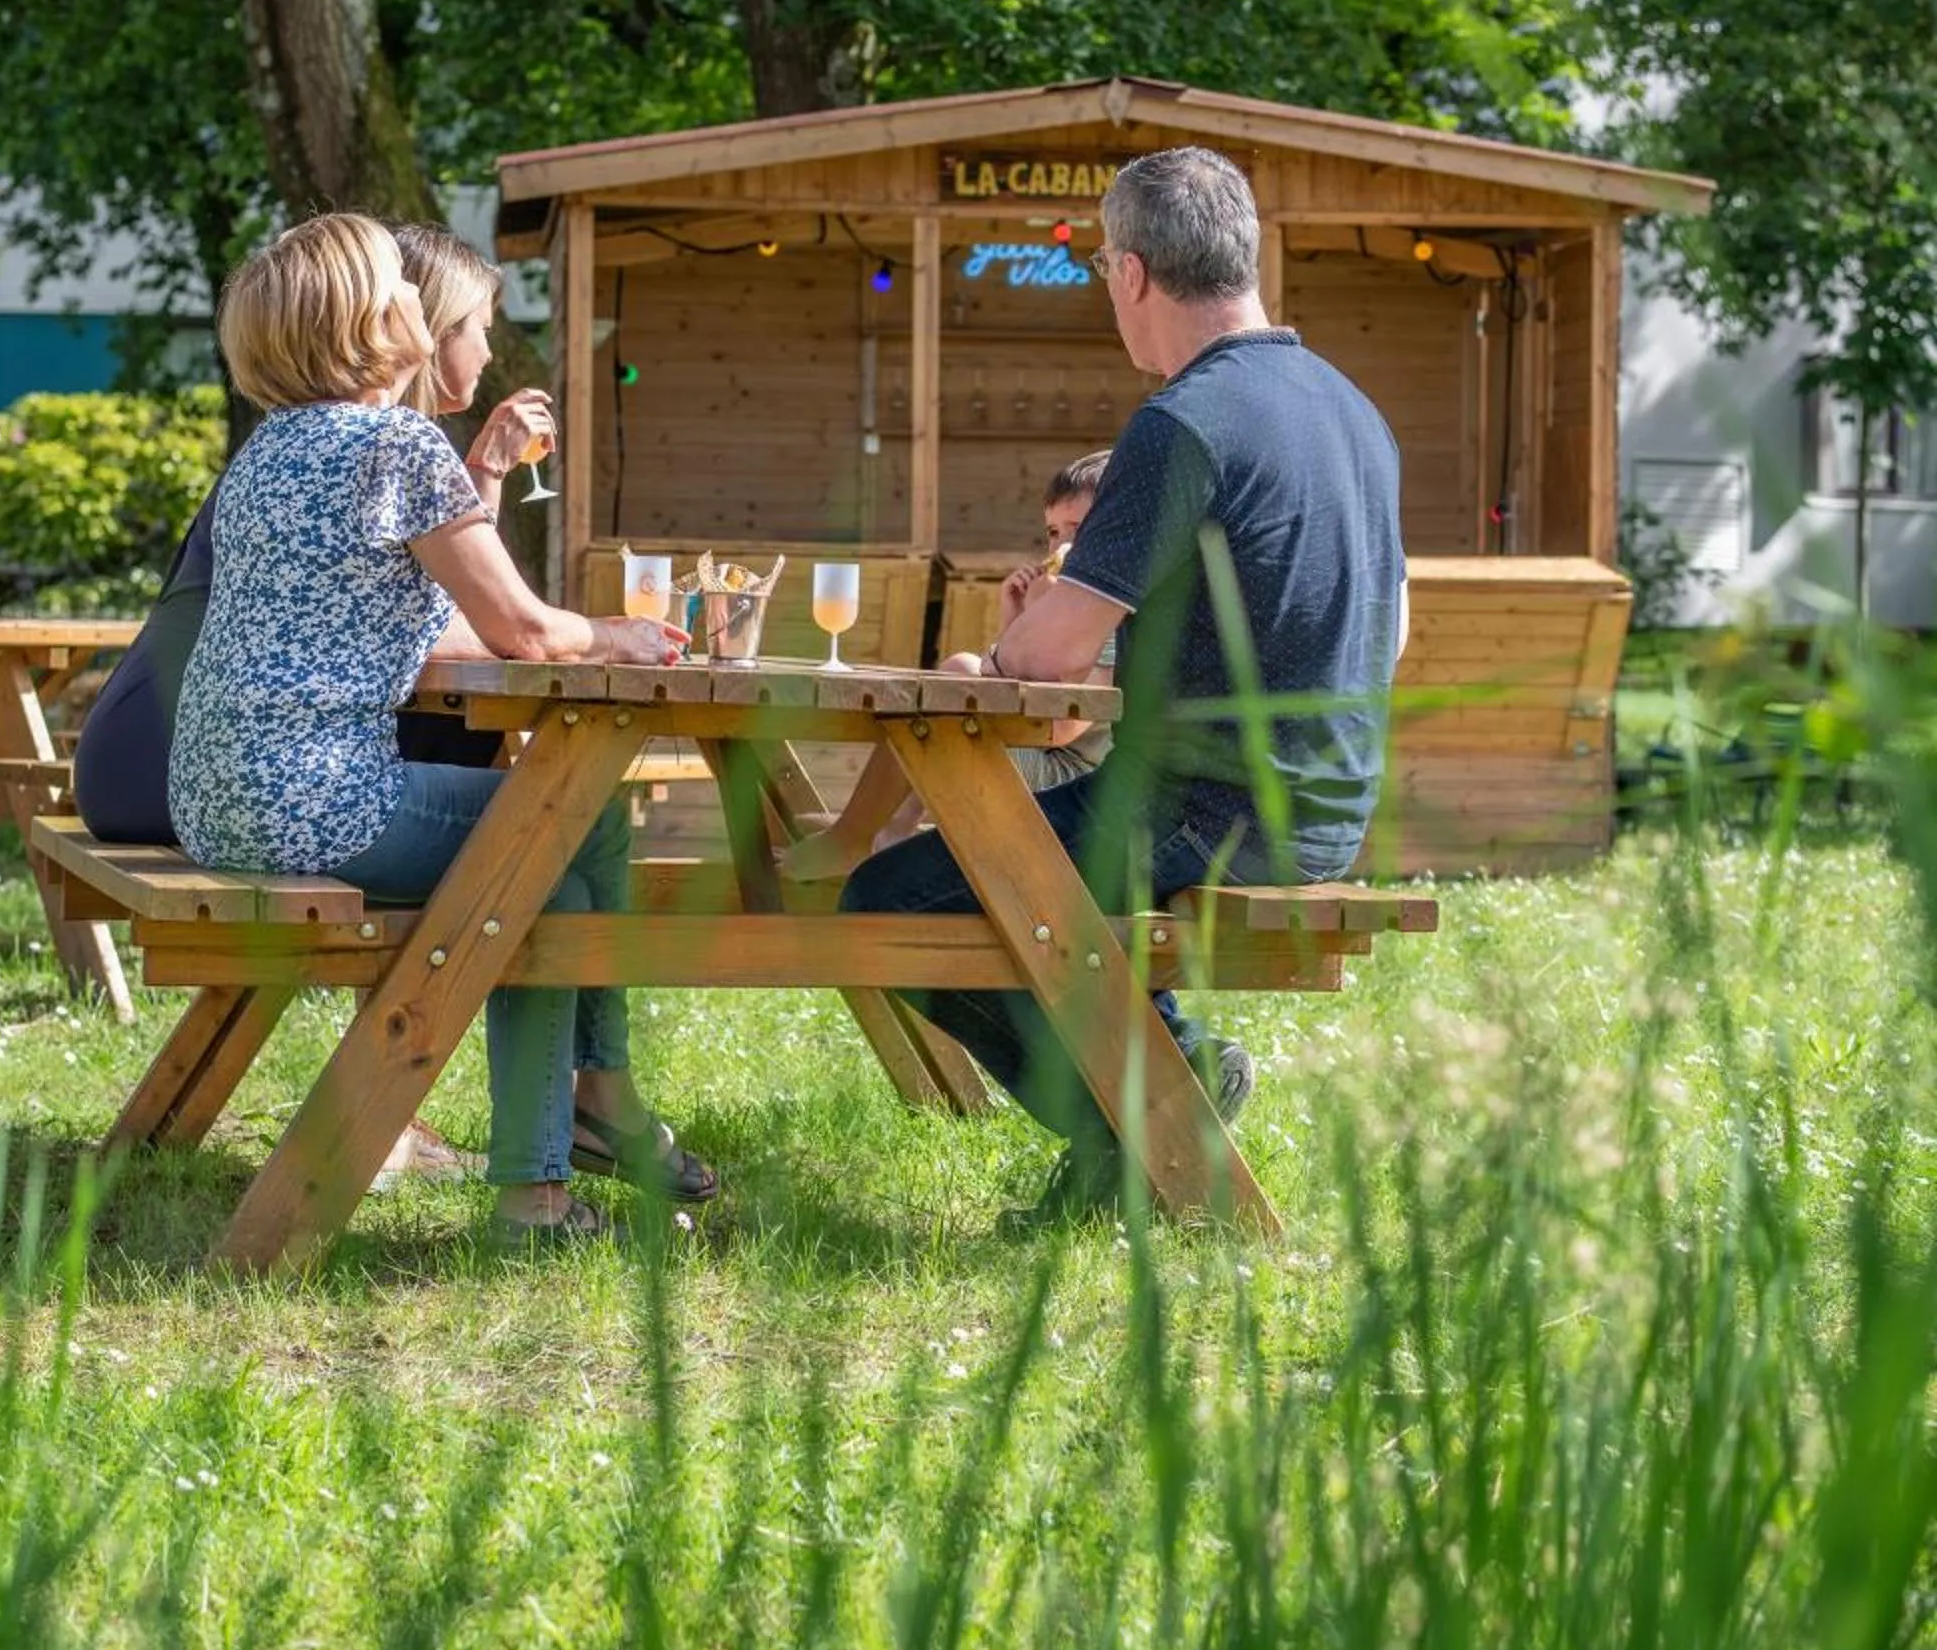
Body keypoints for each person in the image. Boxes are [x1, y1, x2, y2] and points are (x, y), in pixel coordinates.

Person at [841, 144, 1406, 1228]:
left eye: (1104, 270)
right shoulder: (1349, 410)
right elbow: (1388, 635)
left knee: (881, 903)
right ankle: (1151, 1095)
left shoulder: (1182, 420)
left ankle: (1148, 1103)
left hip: (1198, 813)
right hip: (1327, 812)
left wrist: (1002, 659)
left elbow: (1050, 660)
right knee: (1016, 887)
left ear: (1131, 274)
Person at [165, 210, 715, 1234]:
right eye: (401, 285)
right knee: (567, 825)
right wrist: (613, 634)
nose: (422, 297)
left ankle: (574, 1136)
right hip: (315, 802)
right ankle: (550, 1170)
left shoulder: (266, 452)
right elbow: (521, 631)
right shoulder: (396, 442)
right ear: (372, 317)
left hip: (211, 801)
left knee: (555, 836)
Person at [73, 223, 556, 843]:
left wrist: (482, 478)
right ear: (425, 327)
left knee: (474, 759)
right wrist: (582, 633)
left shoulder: (295, 444)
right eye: (481, 327)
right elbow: (475, 631)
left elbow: (442, 614)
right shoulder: (368, 452)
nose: (490, 352)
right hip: (170, 766)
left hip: (173, 769)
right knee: (527, 796)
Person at [782, 448, 1115, 883]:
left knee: (954, 687)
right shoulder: (1062, 608)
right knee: (956, 680)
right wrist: (1016, 619)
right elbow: (1004, 685)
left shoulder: (1106, 614)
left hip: (1070, 779)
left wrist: (1036, 615)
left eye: (1077, 530)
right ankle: (881, 828)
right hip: (1034, 751)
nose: (1061, 546)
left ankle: (862, 833)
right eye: (1053, 532)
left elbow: (1062, 726)